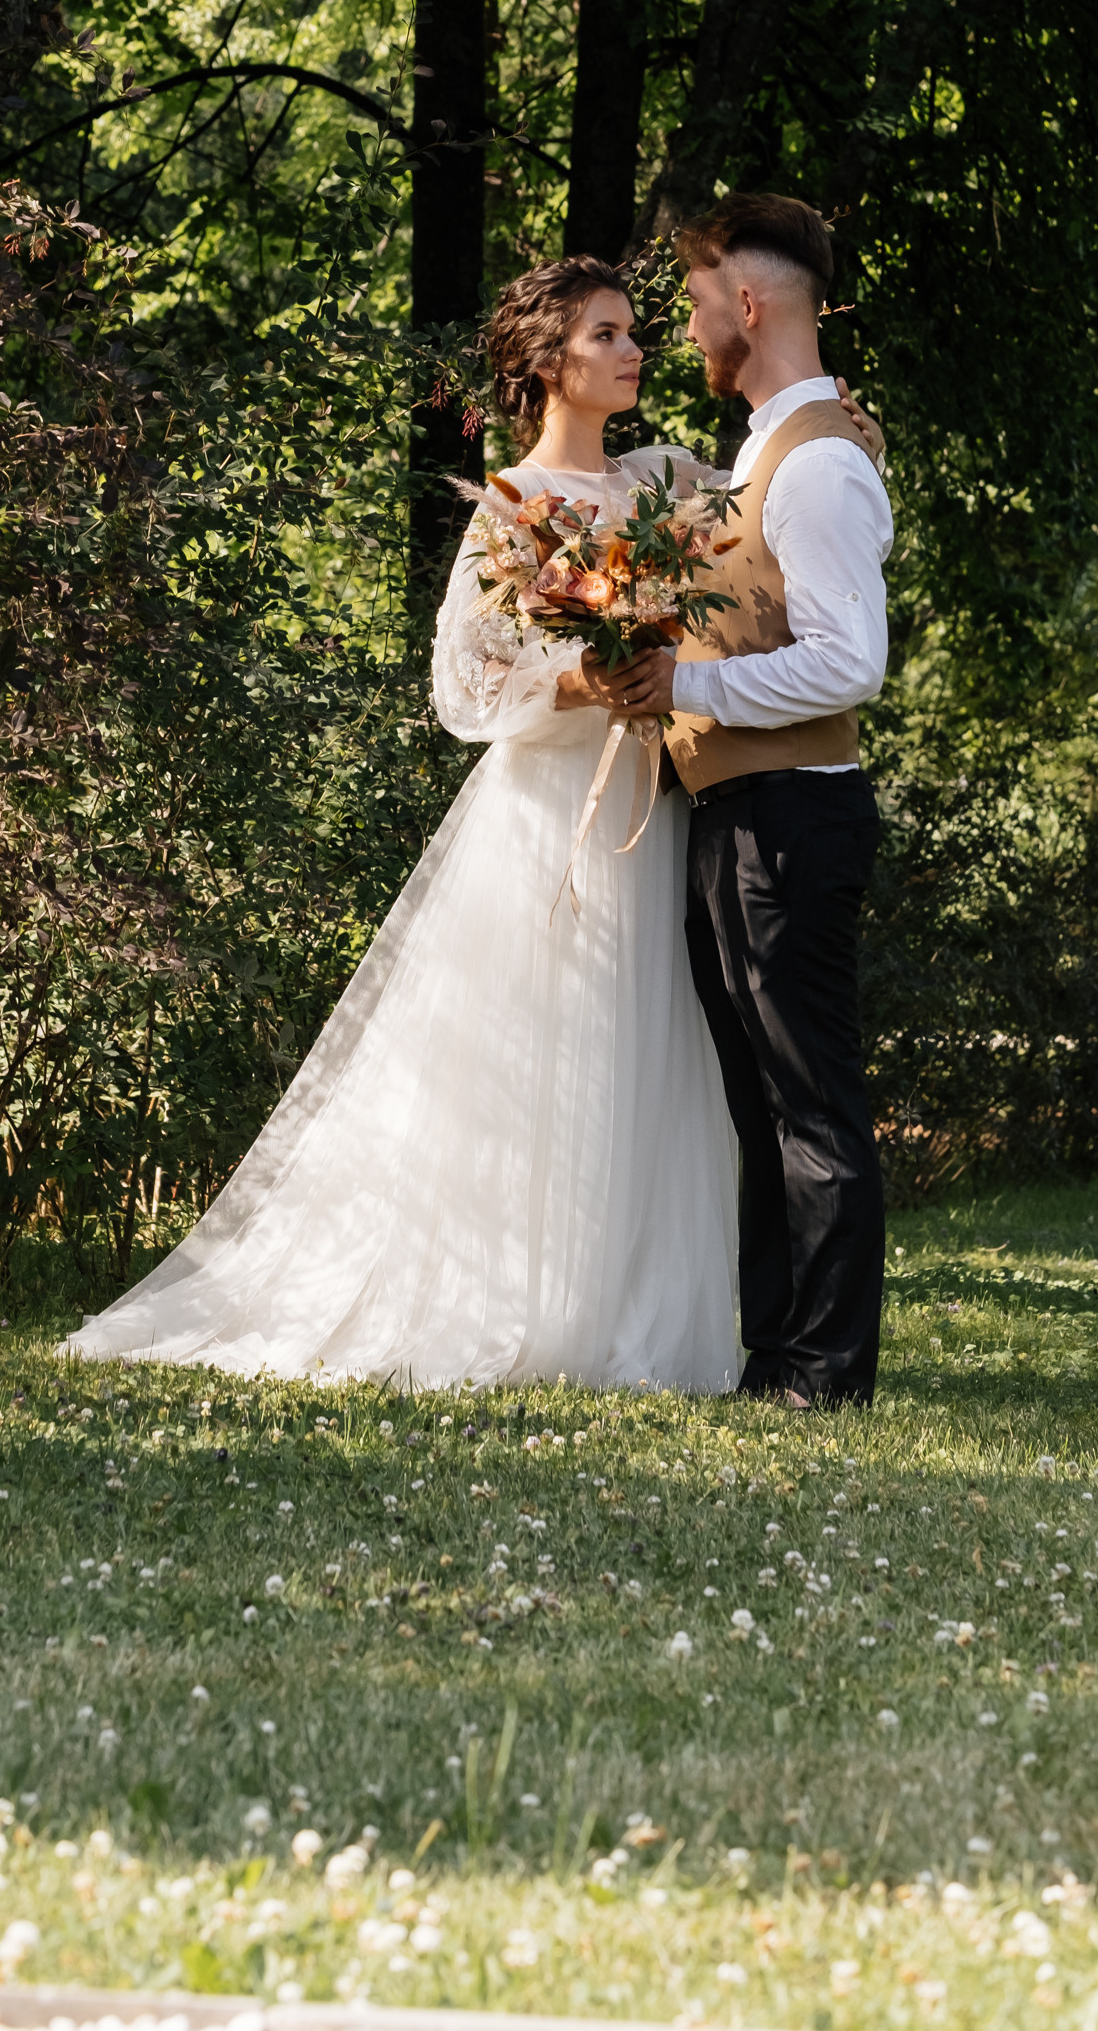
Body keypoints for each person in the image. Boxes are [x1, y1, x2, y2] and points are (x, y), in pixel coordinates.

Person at [63, 256, 745, 1391]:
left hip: (651, 804)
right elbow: (466, 690)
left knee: (651, 1050)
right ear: (547, 362)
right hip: (542, 817)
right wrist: (594, 676)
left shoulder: (668, 475)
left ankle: (634, 1310)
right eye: (608, 334)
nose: (635, 349)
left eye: (634, 330)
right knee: (550, 1050)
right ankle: (522, 1299)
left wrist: (826, 427)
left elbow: (760, 526)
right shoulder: (510, 510)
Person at [596, 191, 894, 1408]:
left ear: (749, 302)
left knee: (808, 1099)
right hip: (741, 811)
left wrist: (686, 677)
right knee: (757, 1102)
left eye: (696, 299)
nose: (685, 322)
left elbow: (849, 659)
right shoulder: (767, 451)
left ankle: (822, 1373)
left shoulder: (816, 461)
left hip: (791, 815)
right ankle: (776, 1354)